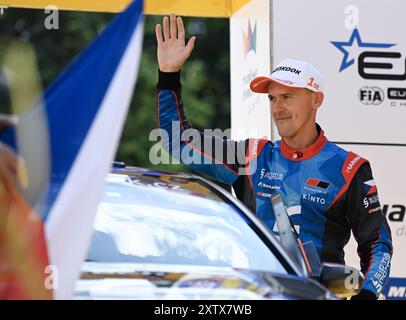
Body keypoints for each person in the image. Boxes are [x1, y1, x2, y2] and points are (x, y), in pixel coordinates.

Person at [155, 14, 392, 300]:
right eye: (272, 98)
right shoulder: (252, 156)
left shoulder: (349, 168)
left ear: (316, 100)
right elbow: (179, 142)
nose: (277, 108)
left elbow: (377, 243)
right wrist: (169, 77)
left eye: (288, 97)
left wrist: (367, 295)